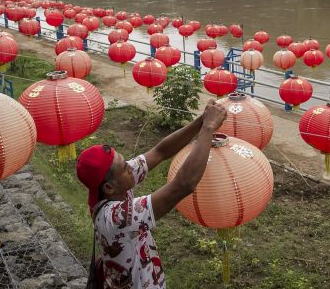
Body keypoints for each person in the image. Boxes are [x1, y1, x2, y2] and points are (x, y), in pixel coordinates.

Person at [76, 99, 227, 289]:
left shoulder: (114, 186)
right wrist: (208, 128)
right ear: (109, 187)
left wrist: (200, 122)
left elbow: (160, 152)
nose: (131, 167)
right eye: (124, 167)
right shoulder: (115, 217)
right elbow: (183, 185)